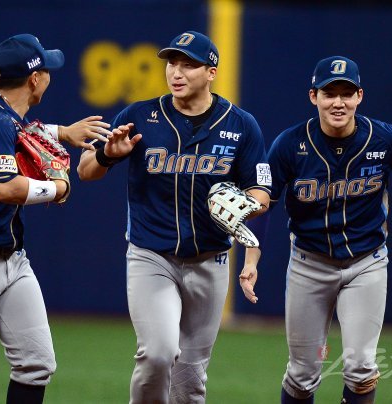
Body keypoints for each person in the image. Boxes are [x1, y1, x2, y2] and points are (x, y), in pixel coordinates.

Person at [239, 56, 392, 404]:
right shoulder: (288, 145)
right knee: (302, 375)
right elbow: (263, 203)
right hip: (309, 266)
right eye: (329, 93)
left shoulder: (387, 139)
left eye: (346, 93)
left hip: (366, 264)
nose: (338, 102)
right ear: (314, 97)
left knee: (360, 368)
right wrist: (252, 259)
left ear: (360, 96)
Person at [77, 30, 271, 403]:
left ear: (211, 72)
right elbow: (85, 170)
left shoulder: (241, 124)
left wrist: (247, 202)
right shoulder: (139, 116)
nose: (176, 72)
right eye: (172, 63)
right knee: (158, 353)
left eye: (189, 65)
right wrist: (107, 155)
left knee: (190, 383)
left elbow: (261, 188)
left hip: (210, 260)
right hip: (152, 256)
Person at [0, 33, 111, 403]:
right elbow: (3, 188)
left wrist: (63, 132)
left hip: (11, 260)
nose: (49, 75)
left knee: (36, 363)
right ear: (34, 79)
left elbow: (23, 132)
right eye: (47, 69)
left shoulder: (1, 114)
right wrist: (56, 189)